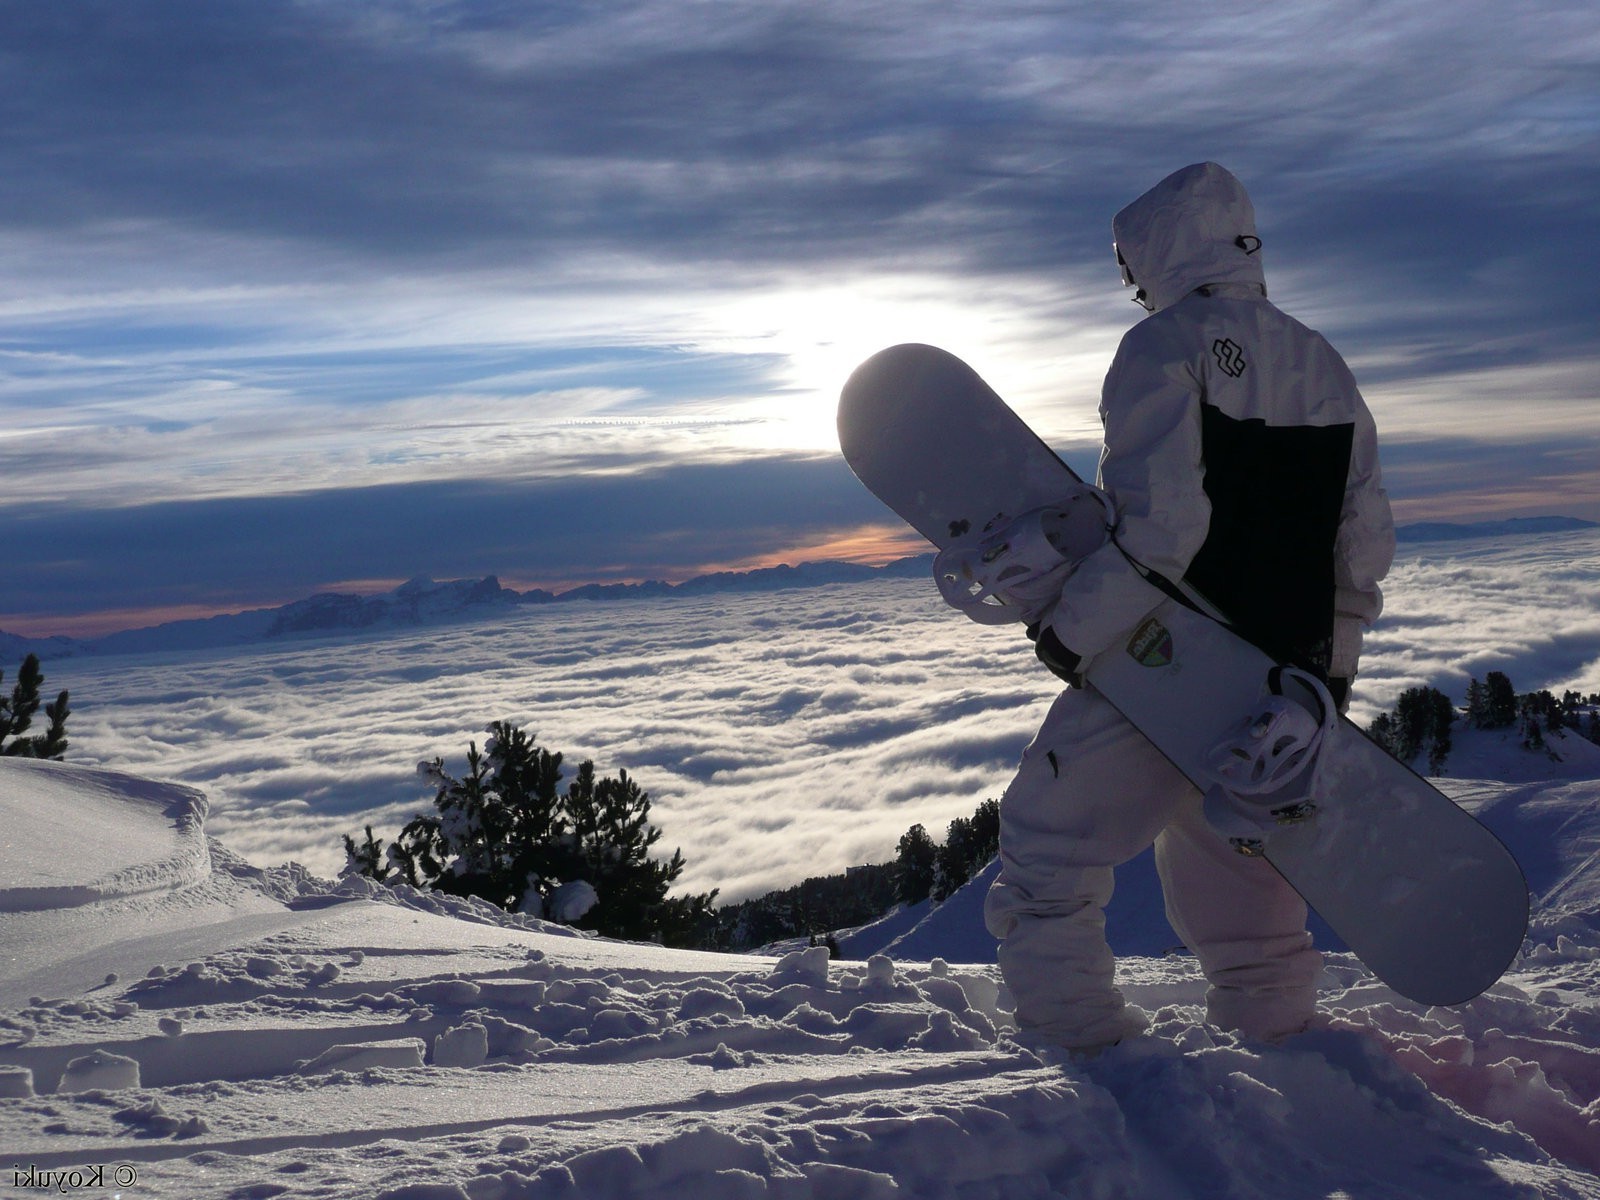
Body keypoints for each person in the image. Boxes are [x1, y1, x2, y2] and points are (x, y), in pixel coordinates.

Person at [983, 162, 1395, 1051]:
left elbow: (1164, 528)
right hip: (1274, 681)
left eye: (1132, 266)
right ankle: (1280, 1043)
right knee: (1234, 874)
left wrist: (1069, 633)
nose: (1130, 285)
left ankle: (1083, 1047)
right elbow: (1360, 545)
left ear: (1159, 253)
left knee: (1046, 849)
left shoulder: (1162, 348)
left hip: (1167, 654)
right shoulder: (1322, 358)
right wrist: (1324, 678)